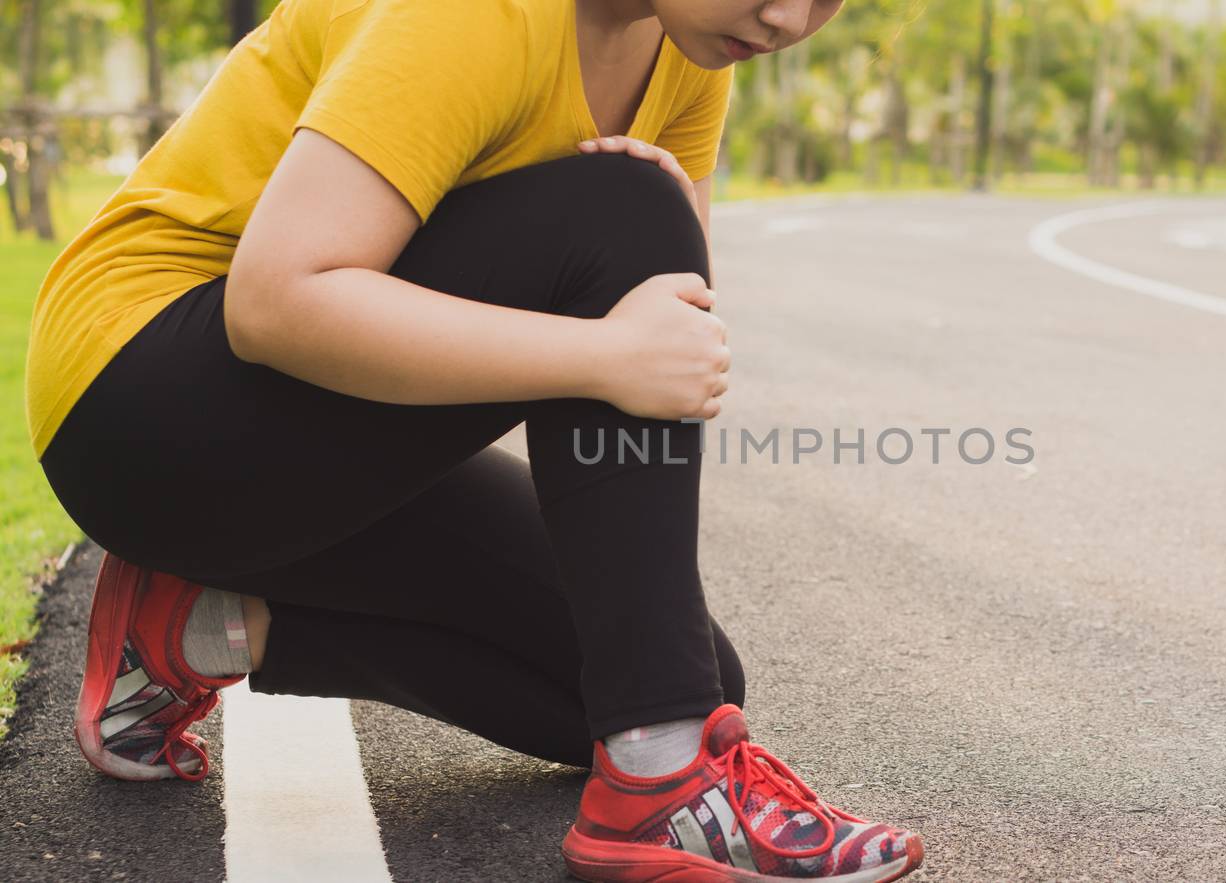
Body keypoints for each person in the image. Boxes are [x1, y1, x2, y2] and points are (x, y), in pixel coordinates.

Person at [24, 0, 926, 880]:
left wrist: (630, 305)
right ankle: (667, 791)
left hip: (302, 435)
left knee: (643, 685)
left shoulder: (690, 44)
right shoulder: (466, 12)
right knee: (625, 206)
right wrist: (604, 344)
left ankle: (199, 627)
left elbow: (665, 323)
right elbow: (275, 301)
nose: (789, 18)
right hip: (143, 407)